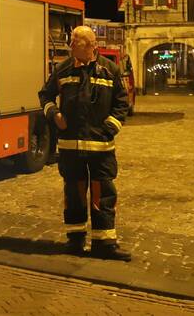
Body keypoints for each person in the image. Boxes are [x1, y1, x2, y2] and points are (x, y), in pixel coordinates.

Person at [38, 25, 131, 261]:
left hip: (101, 149)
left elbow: (122, 102)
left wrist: (109, 129)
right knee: (74, 195)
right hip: (70, 149)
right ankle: (75, 240)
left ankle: (104, 243)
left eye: (76, 42)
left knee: (104, 196)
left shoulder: (110, 71)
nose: (71, 45)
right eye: (72, 41)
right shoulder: (63, 69)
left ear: (91, 46)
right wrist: (55, 115)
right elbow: (45, 95)